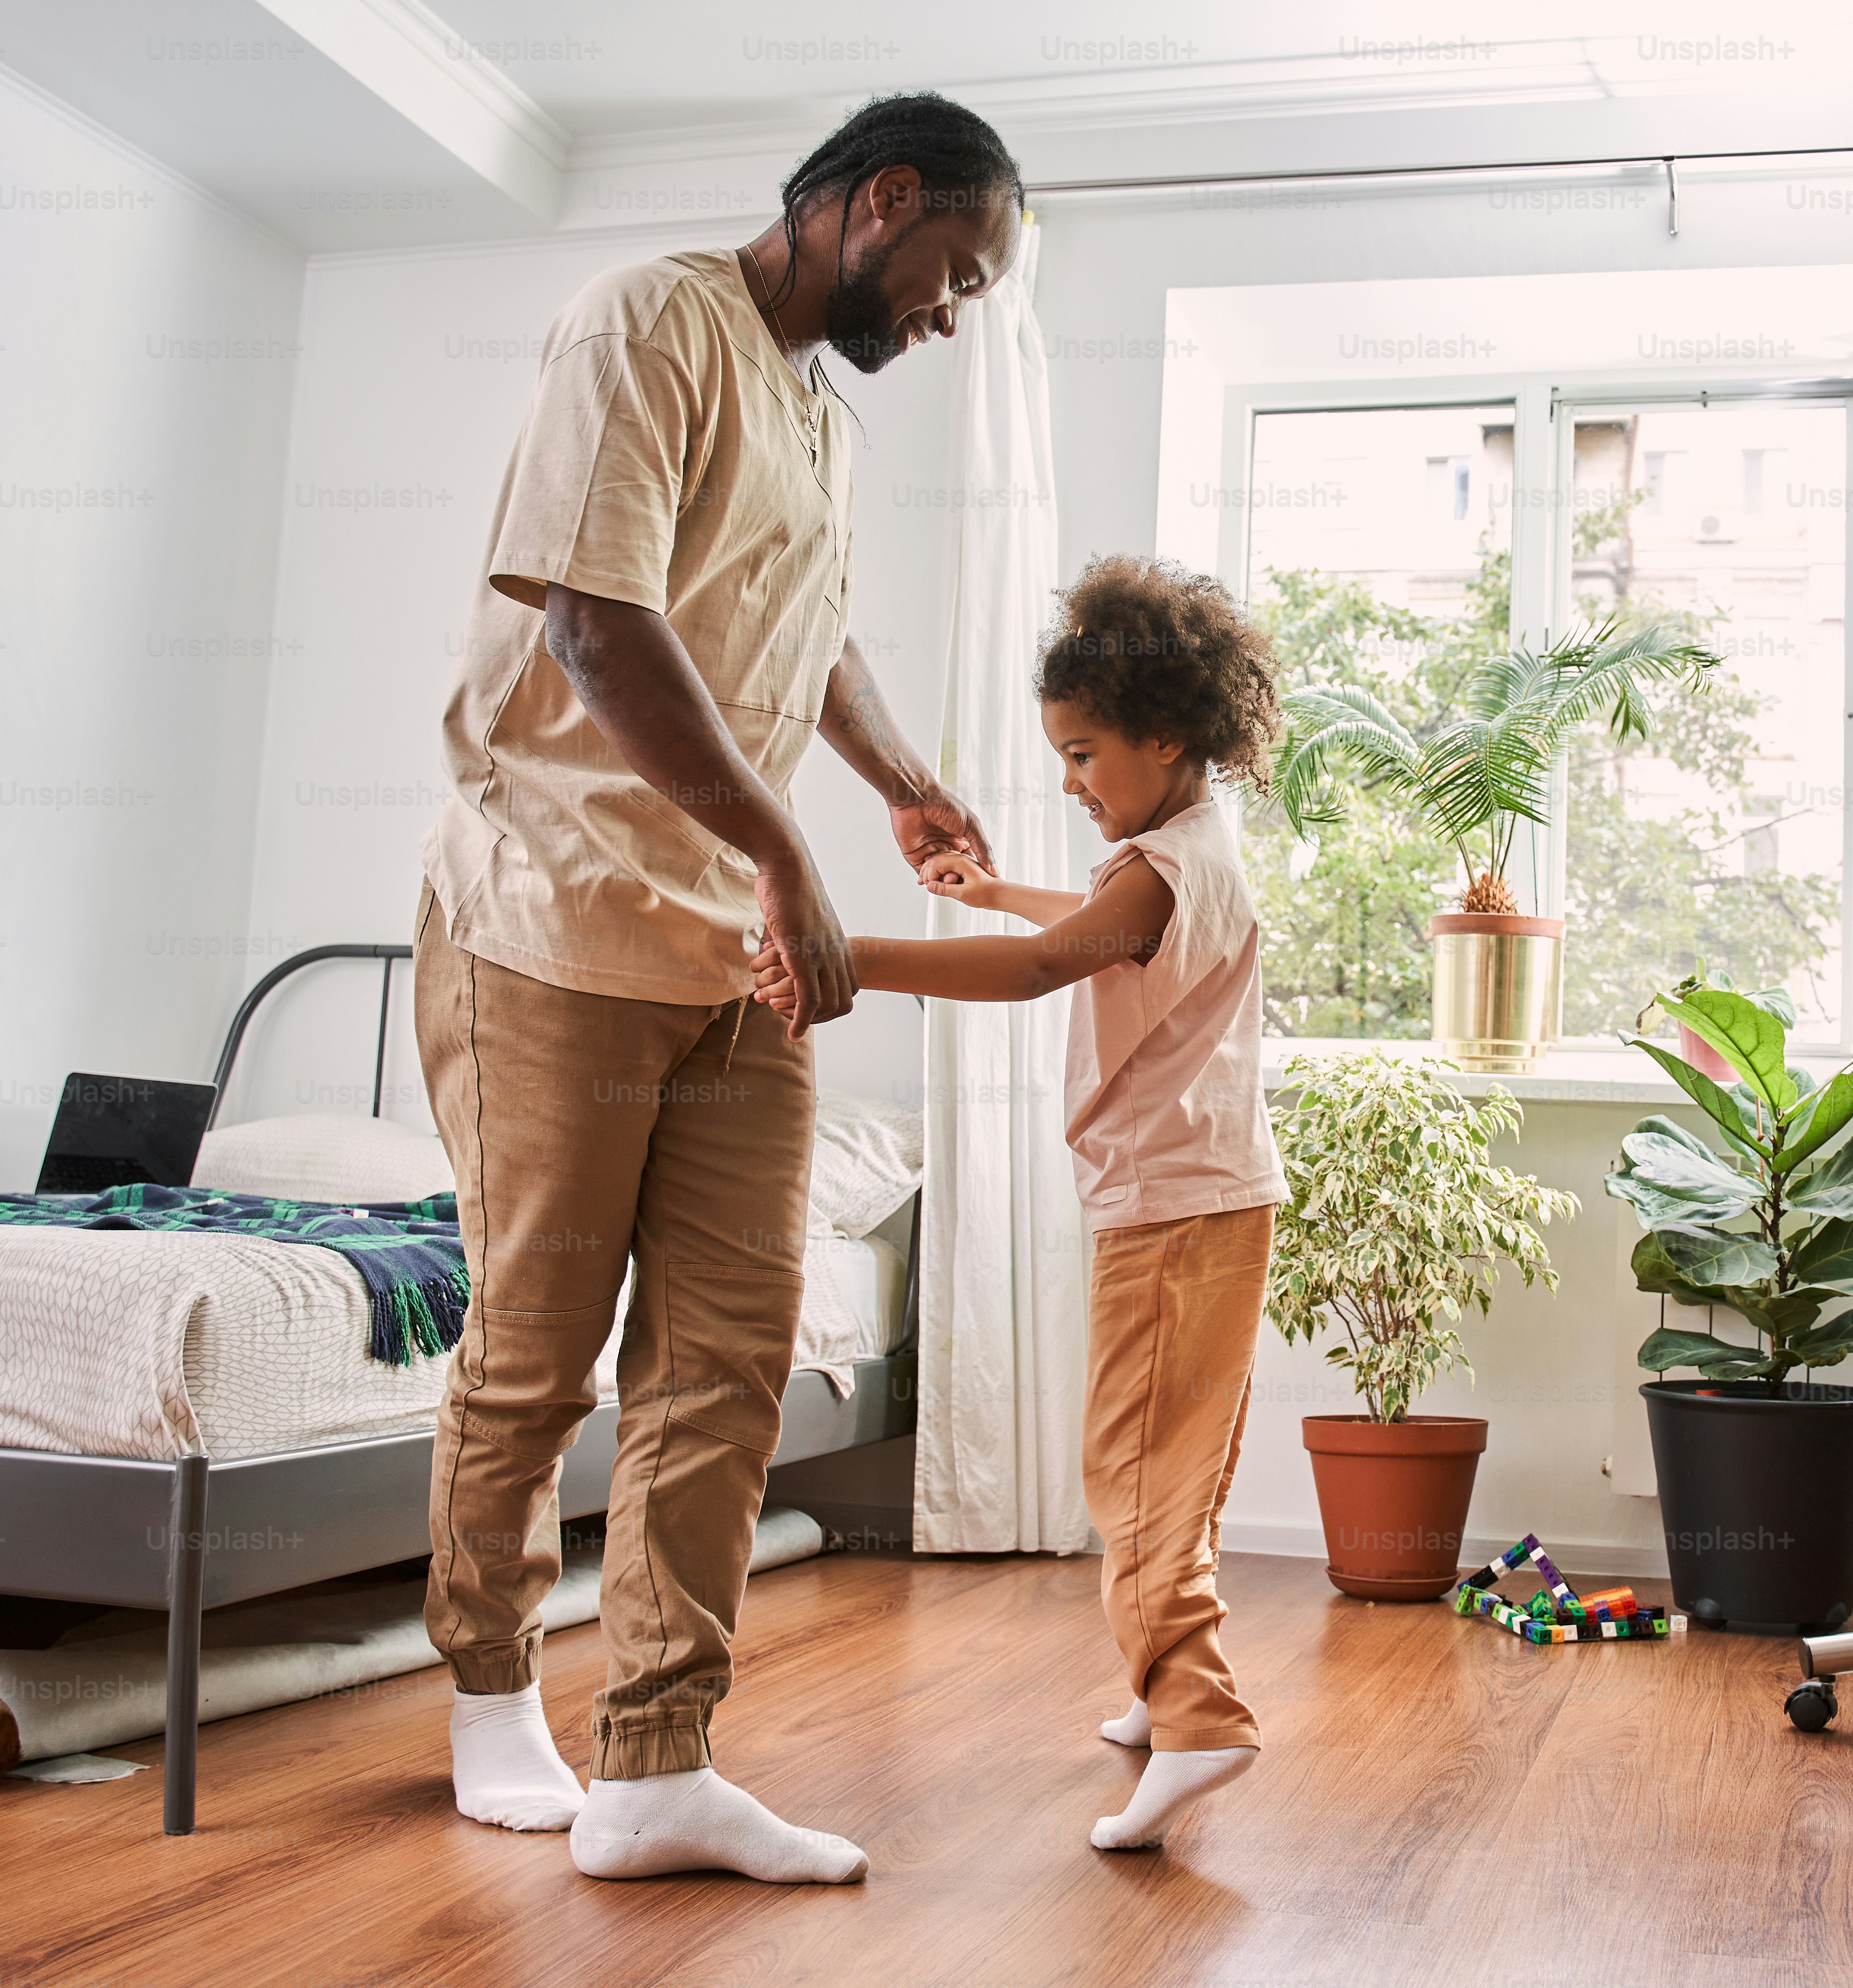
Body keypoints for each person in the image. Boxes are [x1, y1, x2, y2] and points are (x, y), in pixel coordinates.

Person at [411, 93, 1021, 1885]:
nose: (952, 312)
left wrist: (901, 776)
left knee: (733, 1353)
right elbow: (598, 622)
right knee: (535, 1344)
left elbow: (800, 627)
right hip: (553, 920)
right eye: (954, 274)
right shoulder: (645, 322)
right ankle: (486, 1694)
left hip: (723, 957)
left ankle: (659, 1760)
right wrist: (787, 858)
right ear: (877, 201)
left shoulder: (818, 416)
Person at [752, 555, 1289, 1850]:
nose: (1067, 782)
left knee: (1134, 1470)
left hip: (1172, 1212)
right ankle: (1163, 1694)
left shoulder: (1160, 869)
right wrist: (992, 890)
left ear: (1166, 736)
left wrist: (848, 959)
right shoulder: (1182, 845)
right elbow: (1099, 924)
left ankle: (1201, 1716)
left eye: (1084, 753)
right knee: (1177, 1465)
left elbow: (1059, 962)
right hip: (1200, 1199)